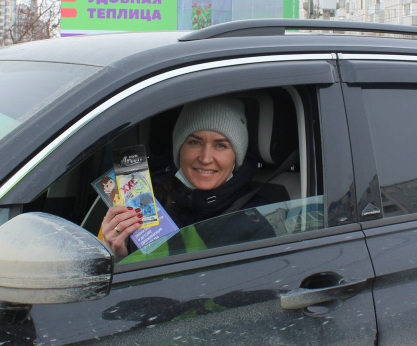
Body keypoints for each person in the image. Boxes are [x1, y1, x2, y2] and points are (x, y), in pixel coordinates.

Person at [101, 96, 287, 259]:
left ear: (236, 156)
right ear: (179, 149)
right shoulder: (145, 201)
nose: (205, 158)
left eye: (221, 145)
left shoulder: (260, 216)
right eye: (195, 142)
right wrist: (118, 258)